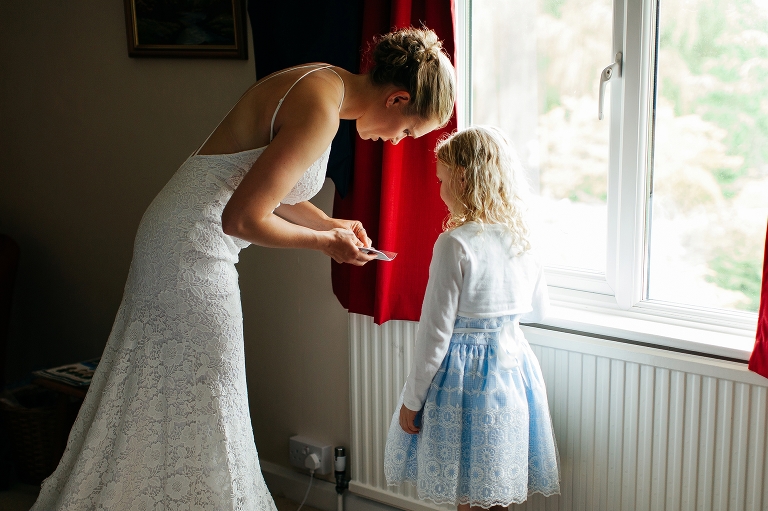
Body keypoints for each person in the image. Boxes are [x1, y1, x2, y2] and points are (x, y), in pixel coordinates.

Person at [31, 27, 455, 510]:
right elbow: (242, 218)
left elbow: (264, 186)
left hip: (176, 233)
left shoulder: (324, 82)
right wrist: (325, 244)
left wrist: (328, 223)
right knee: (213, 391)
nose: (397, 142)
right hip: (191, 248)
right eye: (407, 131)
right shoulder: (320, 112)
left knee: (176, 389)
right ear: (397, 99)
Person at [383, 126, 561, 509]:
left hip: (463, 381)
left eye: (442, 180)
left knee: (466, 489)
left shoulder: (455, 243)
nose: (440, 189)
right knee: (495, 487)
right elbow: (539, 310)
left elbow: (434, 335)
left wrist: (413, 399)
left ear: (462, 178)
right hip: (513, 373)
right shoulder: (523, 238)